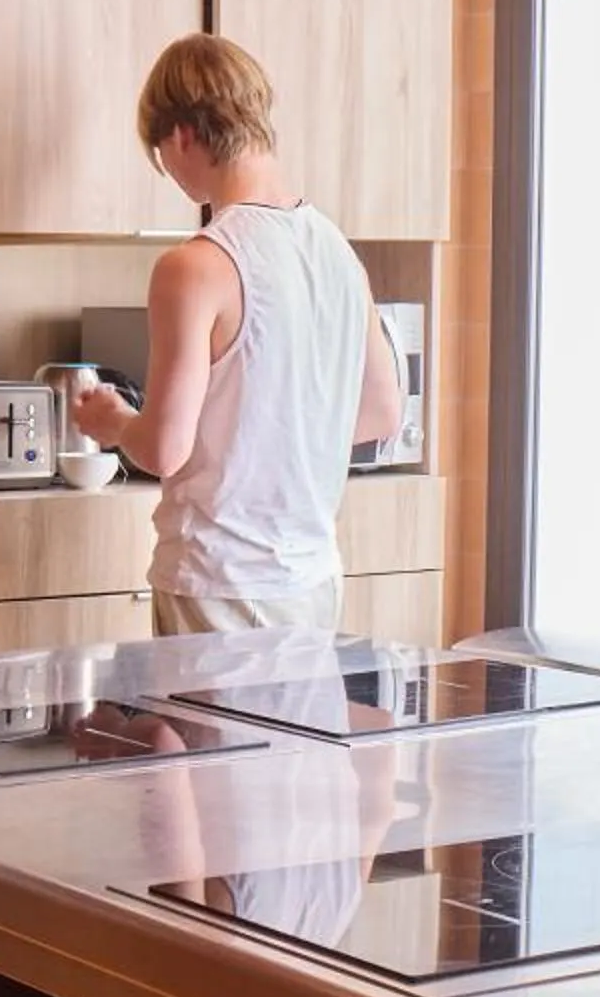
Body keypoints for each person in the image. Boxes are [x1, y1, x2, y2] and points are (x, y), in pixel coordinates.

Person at [69, 34, 405, 635]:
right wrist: (273, 436)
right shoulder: (337, 252)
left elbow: (163, 449)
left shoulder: (196, 266)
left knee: (216, 732)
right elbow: (381, 411)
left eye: (160, 155)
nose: (169, 171)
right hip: (313, 582)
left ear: (181, 136)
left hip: (221, 584)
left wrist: (113, 422)